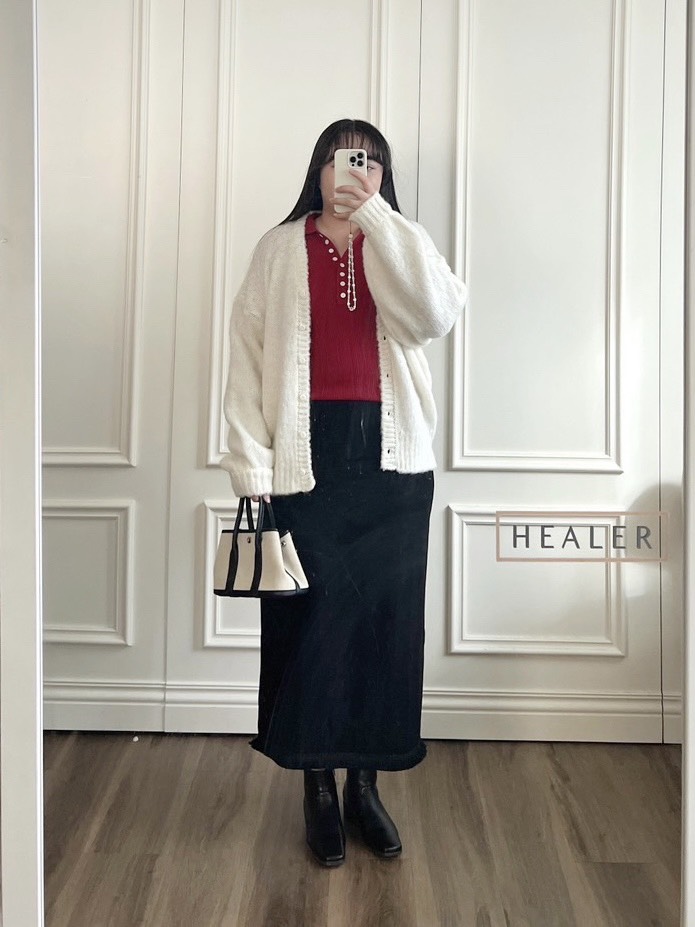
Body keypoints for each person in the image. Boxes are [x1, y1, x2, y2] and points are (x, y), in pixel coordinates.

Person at [220, 118, 467, 867]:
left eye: (367, 162)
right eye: (338, 160)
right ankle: (318, 789)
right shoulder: (277, 249)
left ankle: (365, 786)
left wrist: (379, 220)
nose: (351, 172)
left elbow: (434, 316)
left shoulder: (401, 239)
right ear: (317, 169)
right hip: (307, 460)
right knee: (310, 630)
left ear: (382, 174)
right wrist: (252, 468)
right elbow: (245, 360)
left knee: (384, 631)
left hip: (394, 467)